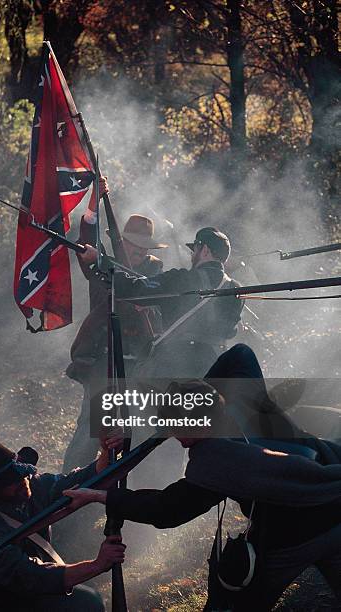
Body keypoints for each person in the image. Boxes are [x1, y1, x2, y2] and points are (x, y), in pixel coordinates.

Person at [62, 345, 341, 611]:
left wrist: (103, 496)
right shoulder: (242, 400)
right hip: (335, 495)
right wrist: (197, 394)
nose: (177, 438)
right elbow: (239, 354)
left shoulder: (214, 460)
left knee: (238, 603)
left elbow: (167, 509)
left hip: (295, 532)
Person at [63, 177, 166, 473]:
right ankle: (66, 494)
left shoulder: (154, 275)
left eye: (142, 248)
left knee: (132, 435)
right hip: (104, 361)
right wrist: (94, 205)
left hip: (141, 365)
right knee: (90, 434)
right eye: (131, 245)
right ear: (123, 243)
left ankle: (114, 498)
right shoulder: (102, 266)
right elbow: (87, 246)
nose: (136, 252)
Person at [0, 435, 126, 611]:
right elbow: (29, 576)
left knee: (89, 599)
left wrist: (108, 452)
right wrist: (97, 565)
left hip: (28, 591)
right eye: (9, 481)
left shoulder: (34, 486)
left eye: (20, 473)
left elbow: (83, 478)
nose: (22, 481)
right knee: (87, 603)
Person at [80, 226, 244, 379]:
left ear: (205, 250)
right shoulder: (235, 289)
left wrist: (101, 263)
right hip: (213, 369)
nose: (192, 255)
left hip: (176, 366)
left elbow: (137, 290)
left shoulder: (184, 279)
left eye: (195, 249)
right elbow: (230, 332)